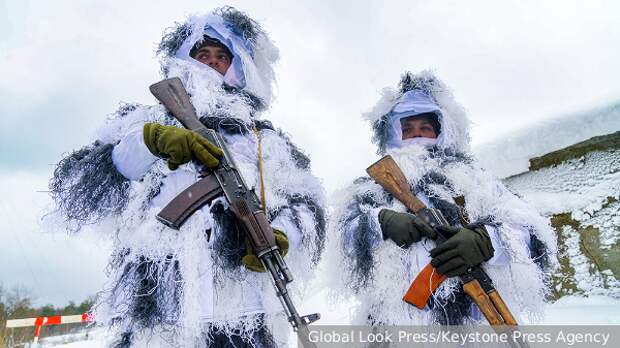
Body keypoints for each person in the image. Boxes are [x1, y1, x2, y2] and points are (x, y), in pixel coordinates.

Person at [48, 7, 326, 347]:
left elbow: (304, 202)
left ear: (237, 67)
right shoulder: (146, 121)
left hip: (240, 309)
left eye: (221, 57)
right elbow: (90, 182)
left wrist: (281, 234)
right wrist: (151, 141)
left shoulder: (263, 139)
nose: (210, 63)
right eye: (202, 54)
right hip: (162, 308)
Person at [330, 70, 557, 326]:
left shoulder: (472, 177)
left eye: (425, 127)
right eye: (407, 128)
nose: (416, 134)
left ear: (441, 130)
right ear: (392, 133)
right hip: (392, 325)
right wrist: (379, 222)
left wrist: (487, 241)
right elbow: (340, 237)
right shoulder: (373, 187)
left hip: (468, 323)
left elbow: (528, 228)